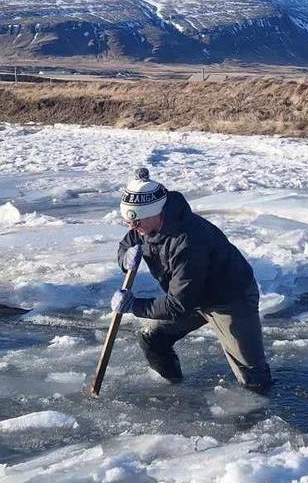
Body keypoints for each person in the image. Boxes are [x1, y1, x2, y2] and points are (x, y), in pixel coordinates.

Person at [110, 167, 272, 391]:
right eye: (129, 222)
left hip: (229, 299)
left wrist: (134, 305)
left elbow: (178, 304)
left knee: (252, 376)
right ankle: (173, 387)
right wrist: (124, 257)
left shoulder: (189, 240)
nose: (133, 229)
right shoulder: (145, 226)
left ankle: (260, 411)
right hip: (190, 295)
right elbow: (128, 242)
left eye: (137, 223)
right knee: (152, 338)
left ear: (158, 213)